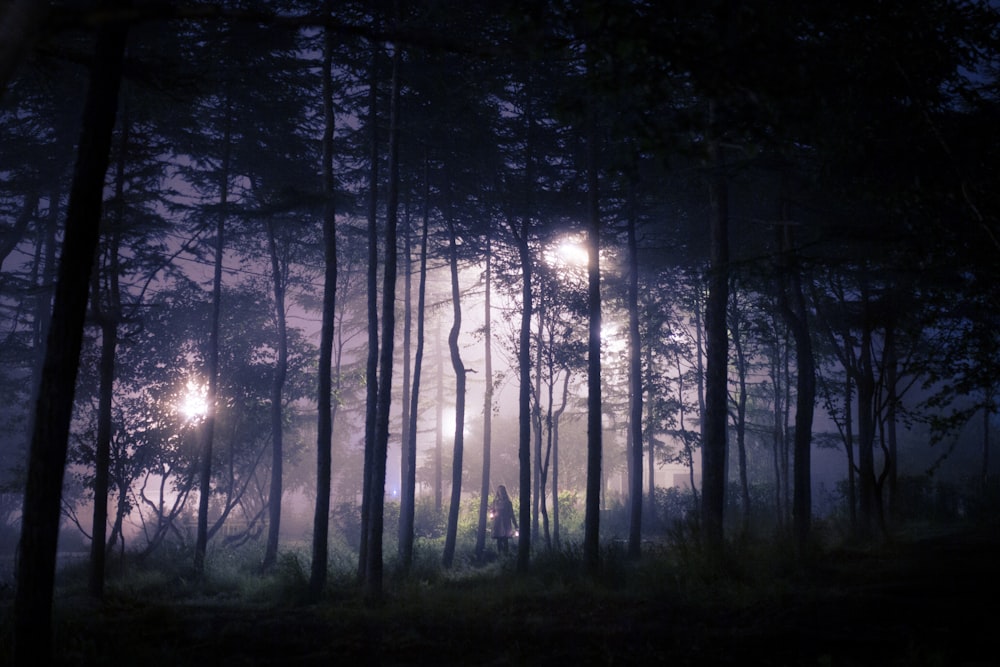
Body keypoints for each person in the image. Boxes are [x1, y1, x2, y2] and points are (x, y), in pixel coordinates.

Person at [491, 485, 518, 555]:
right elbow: (492, 512)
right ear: (498, 492)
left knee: (505, 539)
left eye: (502, 491)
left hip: (505, 523)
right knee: (499, 540)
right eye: (499, 491)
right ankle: (500, 555)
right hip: (497, 523)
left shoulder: (508, 503)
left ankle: (506, 556)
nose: (501, 492)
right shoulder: (495, 502)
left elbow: (511, 514)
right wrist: (492, 515)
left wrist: (516, 525)